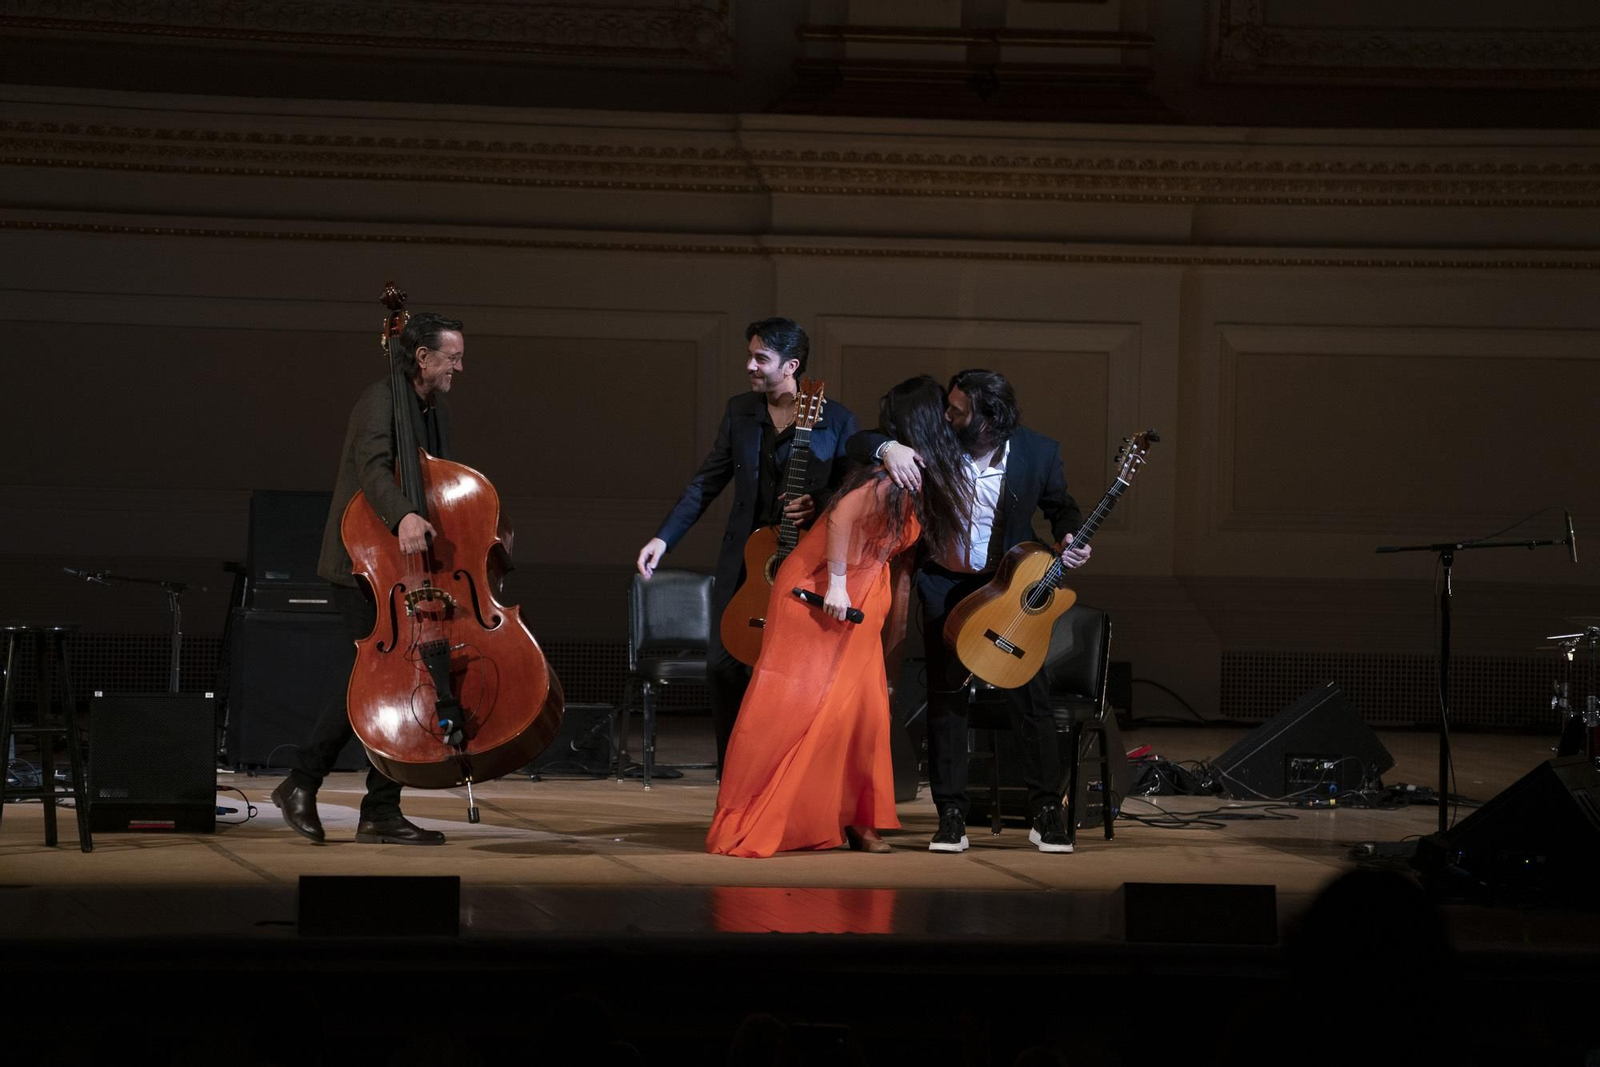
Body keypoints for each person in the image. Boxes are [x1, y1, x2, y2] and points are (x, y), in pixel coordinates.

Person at [706, 376, 973, 858]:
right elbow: (841, 517)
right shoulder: (893, 474)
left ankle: (856, 820)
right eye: (944, 411)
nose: (951, 419)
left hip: (860, 596)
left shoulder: (919, 471)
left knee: (860, 714)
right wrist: (834, 584)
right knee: (807, 710)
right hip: (823, 596)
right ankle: (778, 817)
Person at [847, 369, 1091, 854]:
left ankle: (1046, 811)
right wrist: (888, 448)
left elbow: (1060, 506)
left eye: (957, 410)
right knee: (947, 698)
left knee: (1029, 697)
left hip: (1006, 586)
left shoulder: (1038, 452)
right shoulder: (936, 443)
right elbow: (858, 443)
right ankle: (951, 815)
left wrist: (1070, 534)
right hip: (946, 585)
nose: (946, 415)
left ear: (988, 419)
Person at [269, 311, 467, 846]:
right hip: (366, 565)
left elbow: (441, 480)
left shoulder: (433, 408)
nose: (459, 367)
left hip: (409, 568)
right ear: (422, 356)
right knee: (378, 681)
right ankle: (307, 782)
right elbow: (373, 469)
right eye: (453, 357)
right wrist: (404, 516)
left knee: (409, 679)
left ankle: (373, 807)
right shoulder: (380, 400)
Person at [636, 318, 859, 774]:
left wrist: (817, 502)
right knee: (722, 666)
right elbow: (707, 481)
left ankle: (783, 775)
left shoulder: (835, 419)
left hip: (802, 562)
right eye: (750, 356)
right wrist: (664, 537)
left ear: (790, 366)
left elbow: (850, 492)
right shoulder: (740, 410)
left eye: (761, 358)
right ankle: (731, 773)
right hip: (744, 560)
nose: (749, 366)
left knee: (789, 674)